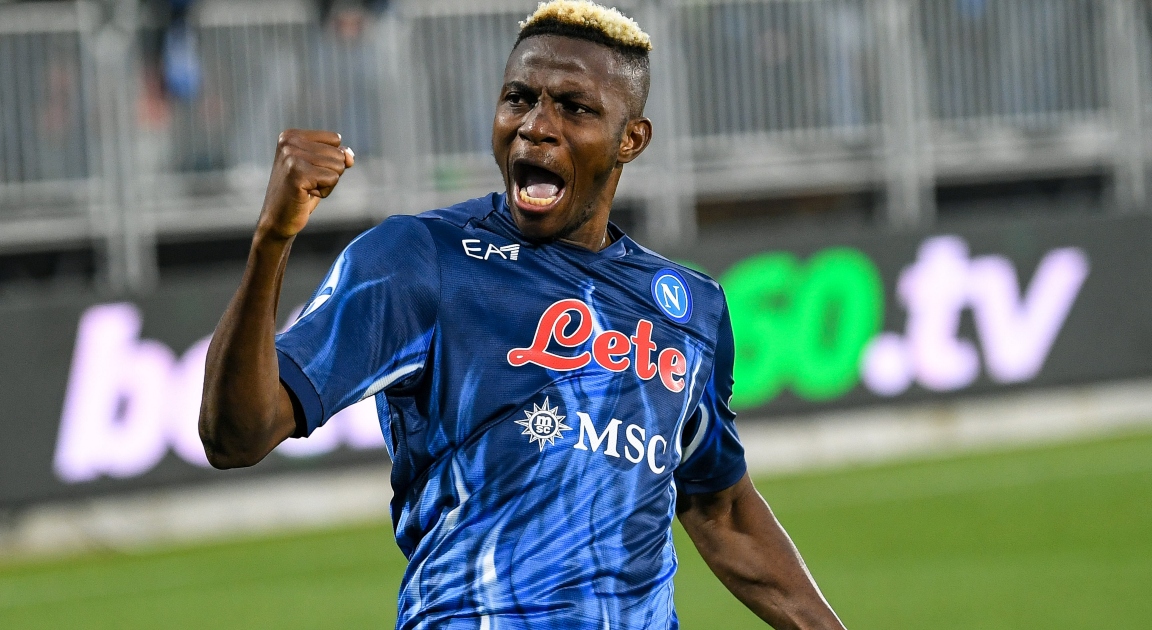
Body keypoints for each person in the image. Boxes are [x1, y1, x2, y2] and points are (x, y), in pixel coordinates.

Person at [198, 1, 845, 628]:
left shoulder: (689, 310)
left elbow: (722, 508)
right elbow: (236, 435)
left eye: (574, 107)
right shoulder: (422, 259)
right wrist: (272, 240)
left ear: (631, 139)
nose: (537, 125)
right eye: (519, 98)